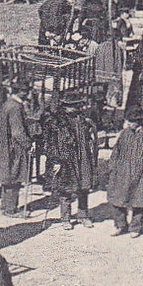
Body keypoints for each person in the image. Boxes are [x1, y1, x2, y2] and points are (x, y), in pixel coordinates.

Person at [43, 98, 97, 229]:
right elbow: (51, 144)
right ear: (64, 107)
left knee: (84, 187)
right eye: (70, 106)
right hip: (65, 158)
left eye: (75, 105)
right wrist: (56, 160)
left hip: (82, 156)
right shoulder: (56, 122)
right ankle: (65, 218)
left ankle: (83, 215)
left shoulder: (83, 120)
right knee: (65, 189)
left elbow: (91, 139)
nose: (73, 108)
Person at [106, 110, 143, 236]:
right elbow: (116, 151)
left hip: (140, 172)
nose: (128, 124)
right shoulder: (125, 133)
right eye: (128, 121)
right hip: (122, 172)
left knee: (138, 200)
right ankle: (120, 225)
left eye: (130, 122)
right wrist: (112, 167)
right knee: (118, 199)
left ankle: (135, 228)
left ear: (138, 122)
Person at [0, 82, 33, 217]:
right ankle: (11, 210)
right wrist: (28, 144)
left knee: (8, 177)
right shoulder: (15, 107)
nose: (28, 94)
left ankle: (5, 206)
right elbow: (17, 132)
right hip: (14, 148)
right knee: (14, 177)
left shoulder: (7, 103)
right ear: (21, 92)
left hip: (5, 146)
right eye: (26, 91)